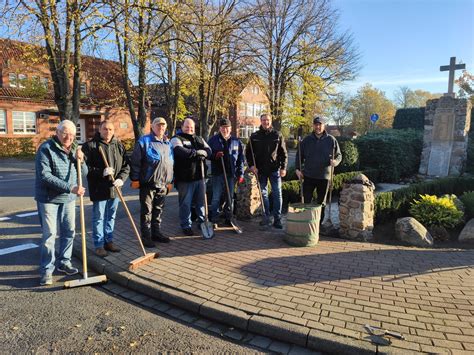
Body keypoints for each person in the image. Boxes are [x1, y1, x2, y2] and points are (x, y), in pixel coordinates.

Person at [35, 120, 86, 286]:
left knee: (69, 231)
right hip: (48, 199)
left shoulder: (74, 148)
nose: (69, 137)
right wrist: (70, 187)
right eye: (65, 133)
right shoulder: (46, 148)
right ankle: (46, 270)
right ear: (57, 132)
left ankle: (64, 262)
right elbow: (45, 176)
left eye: (72, 134)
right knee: (49, 235)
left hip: (69, 199)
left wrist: (82, 159)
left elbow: (83, 172)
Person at [81, 120, 130, 257]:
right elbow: (85, 169)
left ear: (113, 131)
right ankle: (98, 245)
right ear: (99, 130)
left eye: (110, 129)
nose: (107, 132)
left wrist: (121, 179)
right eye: (105, 129)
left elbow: (126, 165)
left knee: (111, 217)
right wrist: (101, 172)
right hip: (99, 189)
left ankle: (109, 241)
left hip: (115, 189)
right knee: (99, 218)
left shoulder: (119, 145)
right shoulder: (90, 146)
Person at [130, 117, 174, 248]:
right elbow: (136, 162)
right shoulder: (144, 141)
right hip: (148, 183)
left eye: (163, 125)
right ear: (152, 127)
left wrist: (170, 181)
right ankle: (146, 236)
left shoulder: (168, 143)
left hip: (163, 184)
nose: (161, 127)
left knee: (158, 210)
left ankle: (156, 233)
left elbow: (171, 164)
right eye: (158, 125)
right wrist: (135, 179)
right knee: (147, 211)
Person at [295, 116, 342, 223]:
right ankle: (306, 222)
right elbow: (299, 155)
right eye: (316, 124)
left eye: (320, 124)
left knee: (321, 202)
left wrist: (335, 162)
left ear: (324, 126)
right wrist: (297, 169)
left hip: (324, 177)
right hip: (308, 176)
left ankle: (318, 224)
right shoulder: (307, 140)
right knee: (306, 200)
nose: (318, 127)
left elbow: (339, 155)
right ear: (313, 125)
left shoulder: (331, 140)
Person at [170, 118, 212, 236]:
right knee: (185, 203)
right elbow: (179, 150)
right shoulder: (176, 139)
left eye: (192, 127)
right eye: (187, 127)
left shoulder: (199, 138)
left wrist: (204, 153)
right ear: (182, 127)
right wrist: (196, 153)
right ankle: (186, 225)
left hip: (200, 177)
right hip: (185, 178)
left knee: (201, 202)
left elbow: (209, 150)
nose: (189, 129)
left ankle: (202, 221)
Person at [246, 113, 288, 229]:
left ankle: (277, 219)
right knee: (263, 194)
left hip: (275, 170)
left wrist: (284, 167)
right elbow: (248, 153)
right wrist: (251, 166)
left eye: (268, 120)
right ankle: (266, 217)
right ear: (261, 121)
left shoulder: (277, 135)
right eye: (264, 120)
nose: (266, 122)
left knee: (277, 194)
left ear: (271, 121)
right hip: (261, 171)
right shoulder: (254, 136)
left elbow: (283, 153)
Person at [207, 118, 245, 225]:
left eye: (227, 128)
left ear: (231, 128)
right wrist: (215, 156)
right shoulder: (213, 140)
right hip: (218, 173)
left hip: (231, 174)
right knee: (216, 196)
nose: (225, 130)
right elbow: (207, 154)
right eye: (223, 128)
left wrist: (241, 173)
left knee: (230, 197)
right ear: (220, 128)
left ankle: (229, 217)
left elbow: (240, 159)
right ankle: (214, 217)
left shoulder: (236, 141)